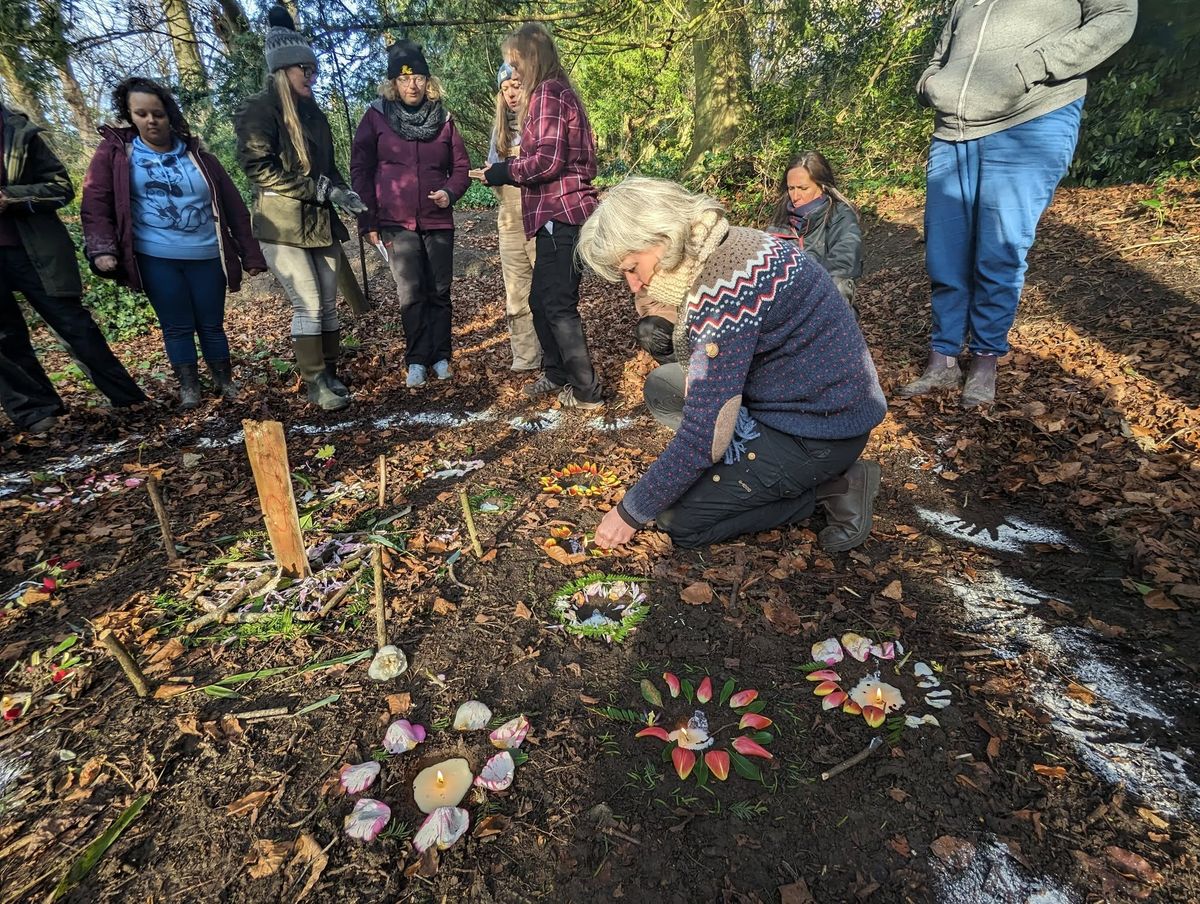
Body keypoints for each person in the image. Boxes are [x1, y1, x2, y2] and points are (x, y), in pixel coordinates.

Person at [579, 177, 888, 552]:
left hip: (818, 432)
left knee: (677, 521)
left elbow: (703, 435)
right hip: (810, 399)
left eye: (632, 267)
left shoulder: (722, 292)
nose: (633, 285)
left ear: (661, 237)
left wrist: (629, 512)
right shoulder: (728, 242)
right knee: (666, 386)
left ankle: (832, 489)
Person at [901, 0, 1137, 408]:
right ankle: (942, 359)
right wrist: (930, 83)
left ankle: (984, 360)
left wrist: (1035, 67)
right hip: (952, 133)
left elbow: (1117, 16)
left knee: (999, 251)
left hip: (1030, 118)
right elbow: (942, 52)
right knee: (944, 256)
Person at [82, 77, 268, 409]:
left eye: (158, 113)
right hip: (155, 256)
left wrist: (249, 253)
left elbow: (233, 205)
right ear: (130, 115)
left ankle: (225, 382)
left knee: (211, 323)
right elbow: (97, 203)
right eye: (141, 114)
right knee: (177, 325)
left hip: (206, 252)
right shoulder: (118, 155)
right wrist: (102, 249)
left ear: (169, 115)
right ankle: (190, 390)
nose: (151, 121)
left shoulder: (198, 156)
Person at [234, 5, 368, 412]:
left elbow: (329, 172)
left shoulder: (314, 113)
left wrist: (345, 194)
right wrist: (321, 191)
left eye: (313, 68)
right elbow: (259, 168)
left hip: (319, 224)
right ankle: (314, 382)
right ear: (283, 69)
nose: (312, 75)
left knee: (328, 300)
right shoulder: (258, 110)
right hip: (282, 225)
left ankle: (329, 371)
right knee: (306, 301)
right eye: (303, 69)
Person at [0, 101, 147, 434]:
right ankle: (36, 413)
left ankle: (128, 399)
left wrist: (11, 196)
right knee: (4, 338)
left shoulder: (17, 131)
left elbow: (60, 187)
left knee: (74, 325)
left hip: (34, 247)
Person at [480, 22, 603, 410]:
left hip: (561, 213)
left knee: (558, 304)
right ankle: (556, 373)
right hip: (555, 213)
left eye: (514, 62)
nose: (511, 71)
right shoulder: (557, 93)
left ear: (531, 59)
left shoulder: (548, 93)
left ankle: (586, 390)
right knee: (539, 299)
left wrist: (503, 172)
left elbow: (547, 161)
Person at [351, 40, 469, 388]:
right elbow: (361, 170)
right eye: (404, 80)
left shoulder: (443, 119)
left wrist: (449, 192)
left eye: (418, 77)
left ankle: (442, 356)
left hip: (437, 220)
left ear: (427, 81)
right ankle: (417, 360)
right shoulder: (375, 117)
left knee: (439, 290)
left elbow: (461, 167)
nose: (412, 85)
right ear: (392, 84)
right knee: (411, 293)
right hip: (395, 221)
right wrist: (368, 219)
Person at [486, 61, 542, 373]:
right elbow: (494, 169)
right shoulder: (500, 131)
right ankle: (525, 358)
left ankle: (557, 356)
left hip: (538, 215)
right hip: (509, 221)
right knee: (517, 293)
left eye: (515, 86)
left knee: (546, 292)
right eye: (504, 89)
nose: (510, 93)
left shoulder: (540, 120)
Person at [766, 151, 863, 307]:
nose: (795, 196)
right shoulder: (778, 223)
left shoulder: (840, 216)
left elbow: (843, 265)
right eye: (791, 188)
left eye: (803, 188)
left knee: (839, 284)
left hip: (826, 306)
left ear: (822, 186)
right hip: (785, 309)